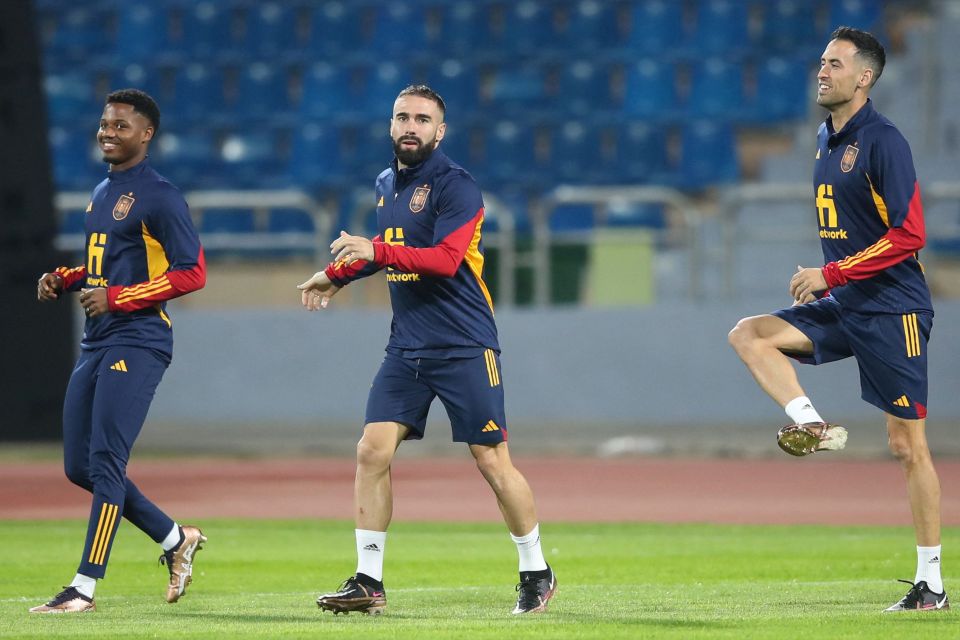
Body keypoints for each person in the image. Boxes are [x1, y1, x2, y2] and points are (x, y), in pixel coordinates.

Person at [298, 84, 557, 616]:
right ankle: (368, 581)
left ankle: (536, 569)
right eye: (402, 117)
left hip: (465, 343)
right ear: (390, 126)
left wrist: (374, 249)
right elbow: (387, 245)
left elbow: (442, 259)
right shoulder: (385, 183)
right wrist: (336, 275)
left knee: (491, 459)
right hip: (407, 346)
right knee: (372, 450)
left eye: (422, 119)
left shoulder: (457, 186)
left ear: (441, 131)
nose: (410, 126)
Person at [729, 27, 947, 612]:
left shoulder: (884, 142)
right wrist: (834, 277)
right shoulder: (826, 137)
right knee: (749, 335)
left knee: (907, 447)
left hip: (891, 308)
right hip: (848, 302)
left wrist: (833, 273)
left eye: (835, 63)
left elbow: (910, 234)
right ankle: (813, 425)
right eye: (821, 61)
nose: (822, 71)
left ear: (865, 77)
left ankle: (932, 584)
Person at [32, 89, 207, 613]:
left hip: (141, 337)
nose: (107, 132)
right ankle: (176, 539)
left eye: (120, 126)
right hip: (99, 336)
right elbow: (106, 268)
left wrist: (120, 297)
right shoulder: (103, 190)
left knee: (107, 459)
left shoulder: (161, 196)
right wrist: (66, 279)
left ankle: (83, 587)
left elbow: (192, 272)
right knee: (77, 467)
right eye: (104, 124)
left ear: (146, 134)